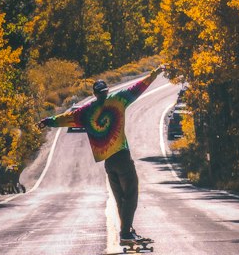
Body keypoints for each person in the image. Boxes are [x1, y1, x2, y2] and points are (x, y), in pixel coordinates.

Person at [41, 66, 163, 244]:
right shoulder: (117, 100)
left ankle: (126, 231)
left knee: (120, 198)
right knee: (131, 194)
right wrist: (154, 74)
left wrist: (47, 121)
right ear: (106, 91)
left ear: (94, 93)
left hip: (108, 162)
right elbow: (138, 87)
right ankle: (126, 233)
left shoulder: (86, 112)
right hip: (122, 157)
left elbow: (66, 118)